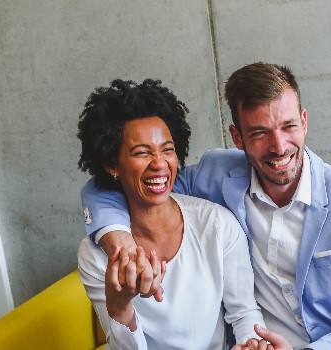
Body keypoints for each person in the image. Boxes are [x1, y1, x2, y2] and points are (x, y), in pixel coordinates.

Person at [82, 63, 331, 349]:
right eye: (259, 133)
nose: (279, 146)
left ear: (304, 121)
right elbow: (118, 186)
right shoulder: (216, 175)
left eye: (288, 126)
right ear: (237, 137)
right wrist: (119, 241)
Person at [76, 78, 274, 349]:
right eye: (141, 152)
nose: (159, 163)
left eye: (167, 150)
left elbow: (243, 313)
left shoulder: (216, 224)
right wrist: (119, 307)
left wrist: (252, 343)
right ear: (112, 164)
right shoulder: (96, 255)